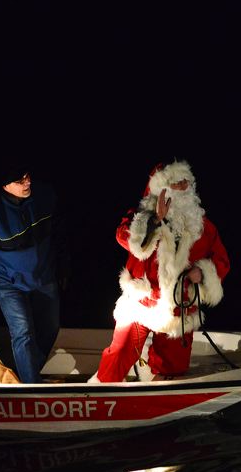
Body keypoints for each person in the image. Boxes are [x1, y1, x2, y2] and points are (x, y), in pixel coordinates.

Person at [90, 159, 230, 383]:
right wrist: (155, 219)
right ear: (160, 188)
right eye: (175, 183)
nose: (183, 187)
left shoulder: (202, 225)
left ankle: (156, 394)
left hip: (179, 308)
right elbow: (124, 237)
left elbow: (220, 259)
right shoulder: (140, 216)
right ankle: (98, 395)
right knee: (119, 354)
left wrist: (202, 273)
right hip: (142, 302)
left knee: (173, 367)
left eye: (186, 182)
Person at [0, 161, 70, 384]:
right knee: (23, 333)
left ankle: (28, 370)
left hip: (43, 276)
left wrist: (64, 266)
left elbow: (61, 233)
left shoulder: (45, 195)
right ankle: (31, 389)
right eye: (20, 180)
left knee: (50, 329)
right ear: (5, 185)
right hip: (6, 282)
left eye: (27, 175)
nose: (27, 181)